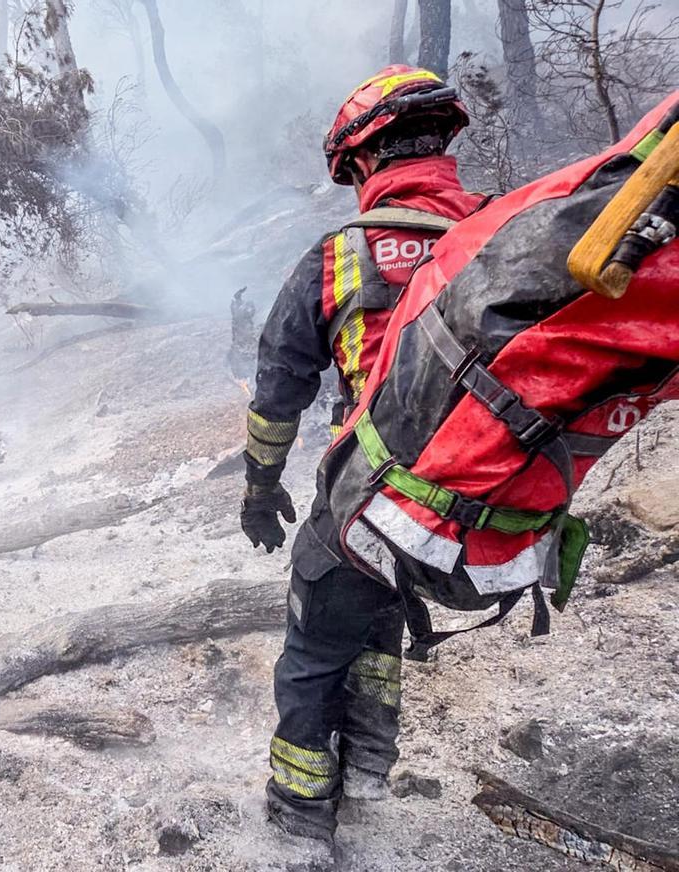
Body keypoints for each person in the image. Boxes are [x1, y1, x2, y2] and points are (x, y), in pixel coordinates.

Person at [240, 65, 487, 845]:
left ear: (363, 163)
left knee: (315, 640)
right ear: (441, 145)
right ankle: (371, 763)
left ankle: (300, 820)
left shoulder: (341, 257)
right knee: (374, 608)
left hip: (373, 498)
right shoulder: (507, 233)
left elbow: (279, 389)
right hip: (477, 514)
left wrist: (259, 486)